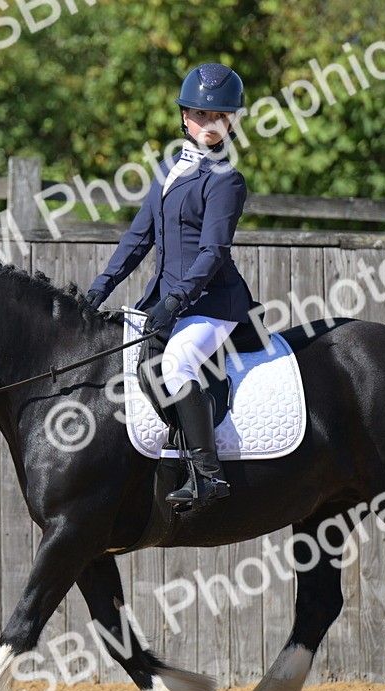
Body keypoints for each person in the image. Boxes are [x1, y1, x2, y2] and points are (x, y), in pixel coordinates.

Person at [85, 62, 254, 508]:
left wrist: (176, 299)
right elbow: (139, 236)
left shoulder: (226, 180)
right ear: (184, 115)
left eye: (219, 116)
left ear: (232, 121)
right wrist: (101, 286)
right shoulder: (169, 168)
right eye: (200, 114)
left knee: (176, 365)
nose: (209, 124)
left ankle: (208, 475)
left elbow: (212, 252)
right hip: (169, 299)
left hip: (213, 302)